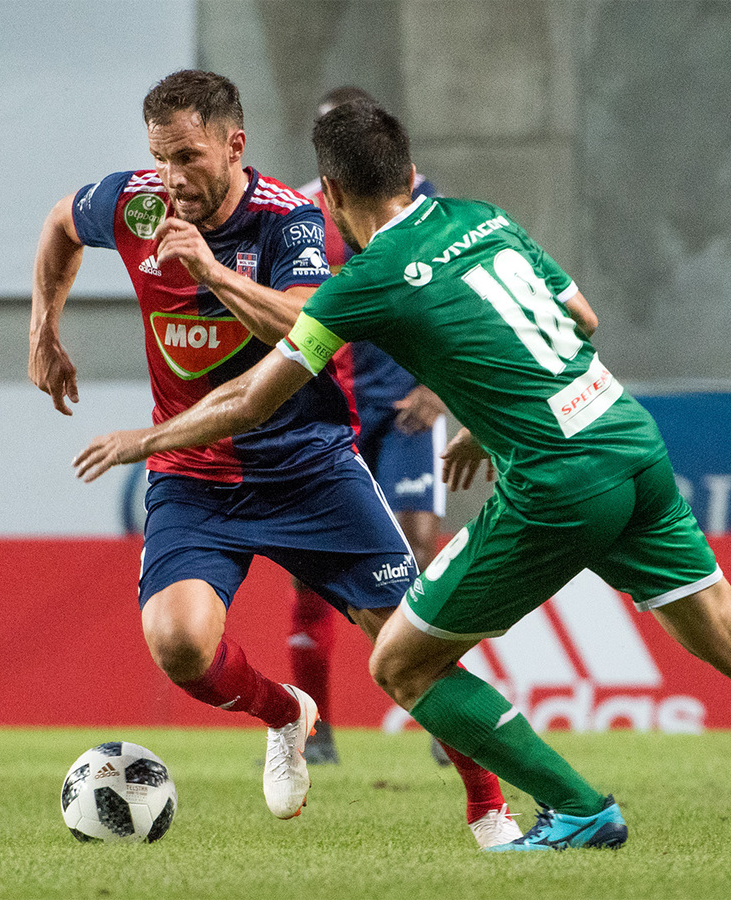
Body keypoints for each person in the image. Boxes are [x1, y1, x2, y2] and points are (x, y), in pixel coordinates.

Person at [72, 100, 731, 857]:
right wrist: (484, 411)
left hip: (559, 481)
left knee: (401, 662)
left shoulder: (365, 279)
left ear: (336, 194)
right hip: (626, 437)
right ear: (411, 170)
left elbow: (249, 398)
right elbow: (581, 316)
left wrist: (145, 440)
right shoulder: (486, 217)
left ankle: (579, 808)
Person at [30, 70, 519, 846]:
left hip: (309, 469)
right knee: (179, 646)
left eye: (188, 157)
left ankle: (490, 809)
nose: (171, 178)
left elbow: (303, 326)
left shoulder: (288, 221)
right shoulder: (136, 204)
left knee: (412, 646)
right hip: (196, 478)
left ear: (235, 145)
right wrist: (44, 330)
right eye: (160, 157)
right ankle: (285, 712)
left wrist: (210, 271)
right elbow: (61, 222)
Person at [290, 86, 451, 767]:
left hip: (408, 408)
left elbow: (455, 299)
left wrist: (437, 386)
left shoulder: (423, 204)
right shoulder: (300, 211)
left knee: (418, 549)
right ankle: (314, 726)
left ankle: (451, 718)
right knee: (314, 570)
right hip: (335, 413)